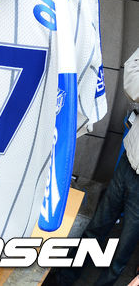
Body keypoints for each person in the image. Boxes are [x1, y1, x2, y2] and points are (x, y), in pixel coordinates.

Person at [44, 46, 139, 286]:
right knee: (96, 227)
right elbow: (132, 77)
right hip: (128, 162)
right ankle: (64, 279)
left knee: (122, 251)